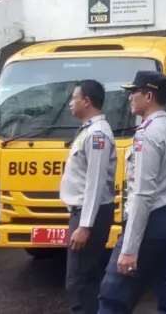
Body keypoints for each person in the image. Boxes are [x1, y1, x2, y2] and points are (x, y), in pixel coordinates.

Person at [98, 71, 166, 314]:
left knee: (113, 294)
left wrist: (129, 249)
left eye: (134, 92)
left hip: (153, 220)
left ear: (149, 96)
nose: (130, 98)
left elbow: (142, 194)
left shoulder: (147, 135)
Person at [59, 80, 118, 314]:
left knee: (79, 280)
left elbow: (95, 183)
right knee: (85, 277)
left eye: (74, 98)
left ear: (87, 101)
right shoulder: (89, 130)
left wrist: (85, 226)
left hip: (89, 214)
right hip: (86, 213)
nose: (70, 103)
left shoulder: (97, 134)